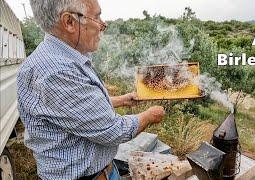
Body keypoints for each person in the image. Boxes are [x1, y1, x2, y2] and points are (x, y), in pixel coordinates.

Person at [16, 0, 165, 179]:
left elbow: (75, 112)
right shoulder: (58, 72)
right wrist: (150, 115)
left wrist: (121, 100)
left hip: (101, 172)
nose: (104, 24)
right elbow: (113, 130)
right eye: (97, 16)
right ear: (69, 22)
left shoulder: (61, 57)